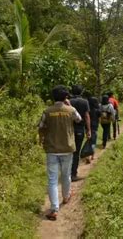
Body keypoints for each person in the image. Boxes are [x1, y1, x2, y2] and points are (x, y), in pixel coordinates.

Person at [38, 85, 82, 221]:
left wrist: (42, 138)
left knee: (52, 179)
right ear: (65, 97)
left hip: (52, 149)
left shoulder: (47, 111)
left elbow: (41, 127)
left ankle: (54, 208)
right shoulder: (71, 110)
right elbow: (79, 119)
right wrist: (68, 105)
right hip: (67, 148)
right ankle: (66, 197)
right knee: (66, 175)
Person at [69, 85, 91, 182]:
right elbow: (86, 116)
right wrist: (88, 130)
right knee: (76, 152)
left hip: (68, 129)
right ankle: (73, 174)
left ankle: (67, 173)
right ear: (81, 92)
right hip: (79, 129)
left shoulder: (68, 101)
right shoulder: (84, 102)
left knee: (68, 151)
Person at [87, 96, 101, 161]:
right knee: (93, 142)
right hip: (94, 127)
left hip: (87, 127)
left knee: (89, 140)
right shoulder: (98, 110)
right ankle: (91, 156)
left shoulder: (88, 110)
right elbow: (100, 119)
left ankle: (88, 155)